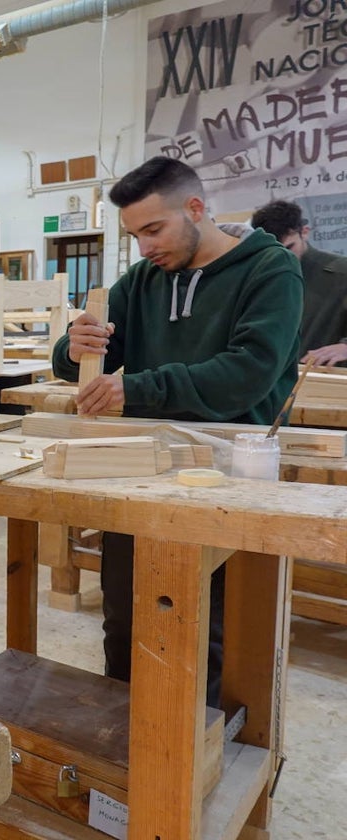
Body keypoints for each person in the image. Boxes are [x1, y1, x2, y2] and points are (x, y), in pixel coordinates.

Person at [52, 156, 302, 708]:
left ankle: (195, 766)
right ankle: (122, 757)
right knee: (124, 618)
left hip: (228, 475)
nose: (143, 247)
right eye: (134, 234)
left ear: (195, 209)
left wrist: (135, 389)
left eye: (153, 229)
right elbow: (80, 363)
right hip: (139, 469)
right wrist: (75, 348)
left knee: (207, 632)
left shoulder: (269, 271)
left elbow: (247, 375)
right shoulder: (143, 280)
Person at [251, 199, 347, 366]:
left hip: (325, 383)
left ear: (305, 232)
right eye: (272, 251)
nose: (281, 257)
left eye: (289, 248)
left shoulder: (342, 273)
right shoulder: (258, 279)